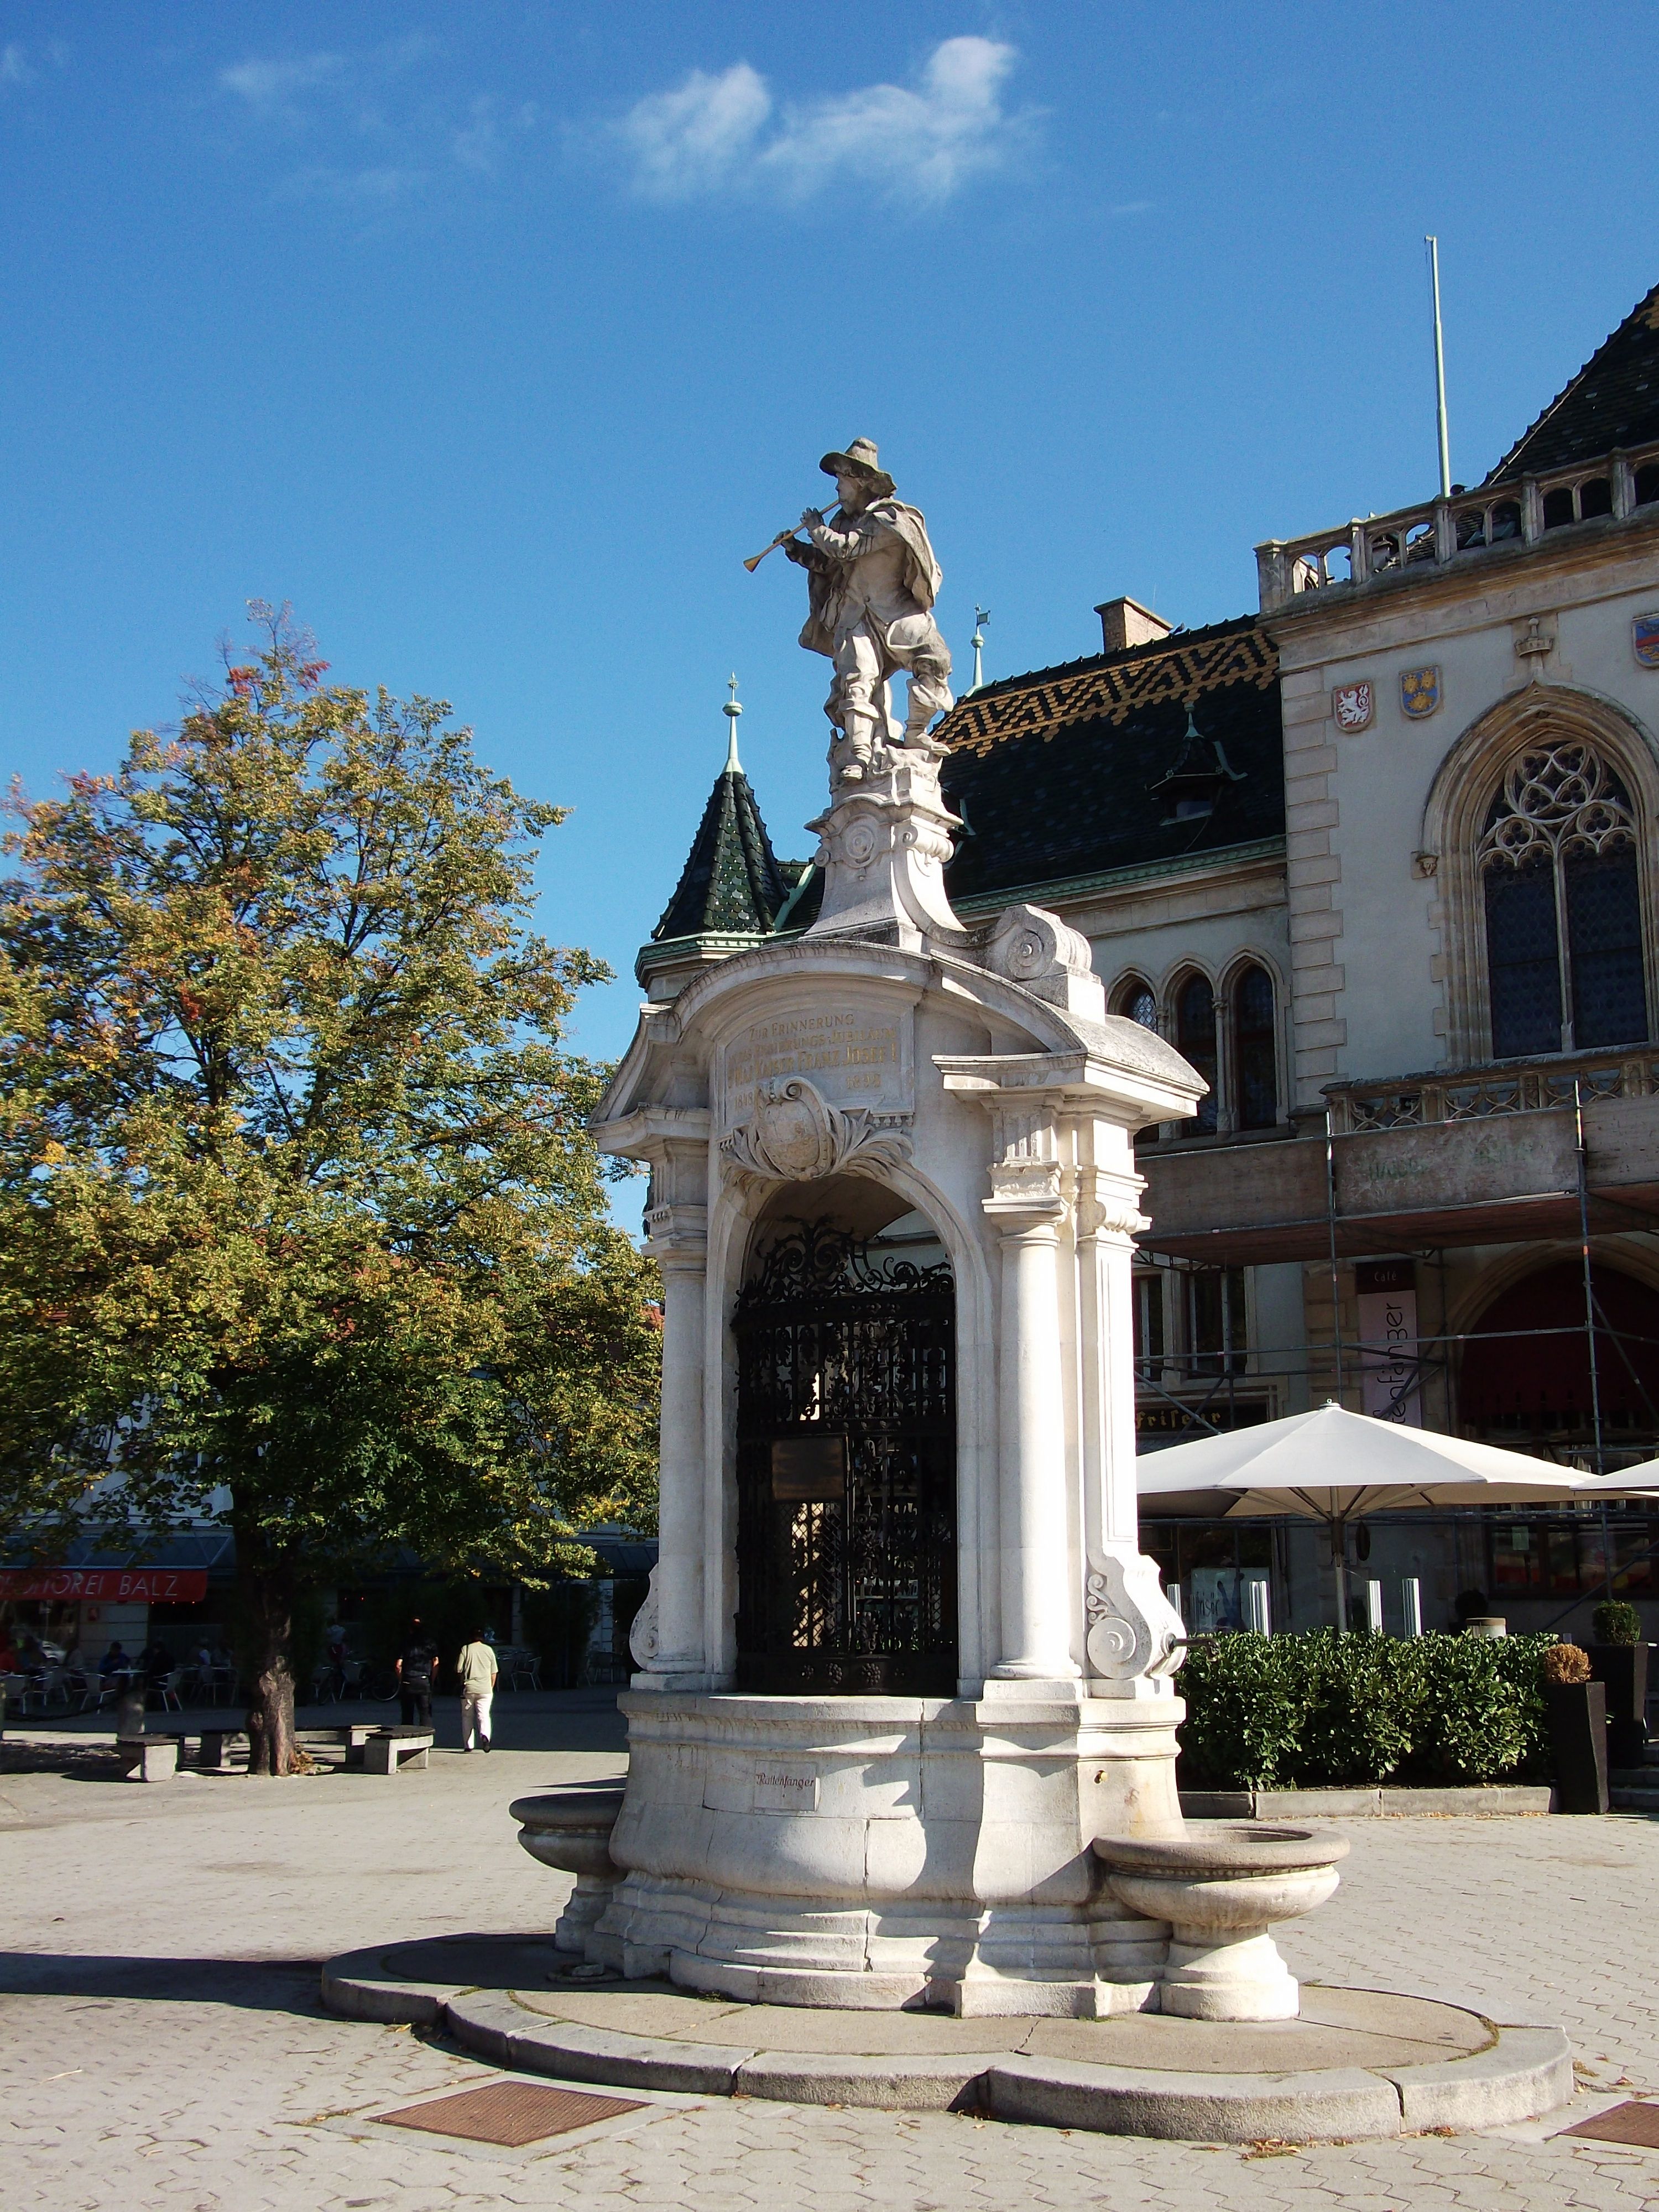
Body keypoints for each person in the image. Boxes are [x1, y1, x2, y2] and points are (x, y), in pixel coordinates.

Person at [782, 437, 953, 788]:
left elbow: (848, 549)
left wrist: (816, 528)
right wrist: (797, 549)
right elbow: (829, 564)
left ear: (858, 480)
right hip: (855, 614)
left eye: (841, 481)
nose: (837, 489)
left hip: (896, 611)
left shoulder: (890, 520)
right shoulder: (842, 522)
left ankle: (917, 731)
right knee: (857, 679)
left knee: (936, 661)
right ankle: (859, 755)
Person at [455, 1627, 498, 1753]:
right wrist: (490, 1687)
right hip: (485, 1689)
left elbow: (459, 1669)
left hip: (469, 1688)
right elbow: (494, 1672)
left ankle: (468, 1745)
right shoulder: (489, 1650)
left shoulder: (466, 1649)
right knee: (484, 1715)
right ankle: (485, 1736)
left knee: (467, 1716)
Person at [395, 1616, 438, 1727]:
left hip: (408, 1679)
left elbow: (398, 1665)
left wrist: (401, 1680)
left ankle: (407, 1739)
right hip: (424, 1679)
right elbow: (436, 1662)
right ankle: (426, 1739)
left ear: (410, 1629)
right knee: (425, 1713)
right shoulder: (430, 1643)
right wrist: (432, 1680)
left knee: (407, 1714)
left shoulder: (405, 1642)